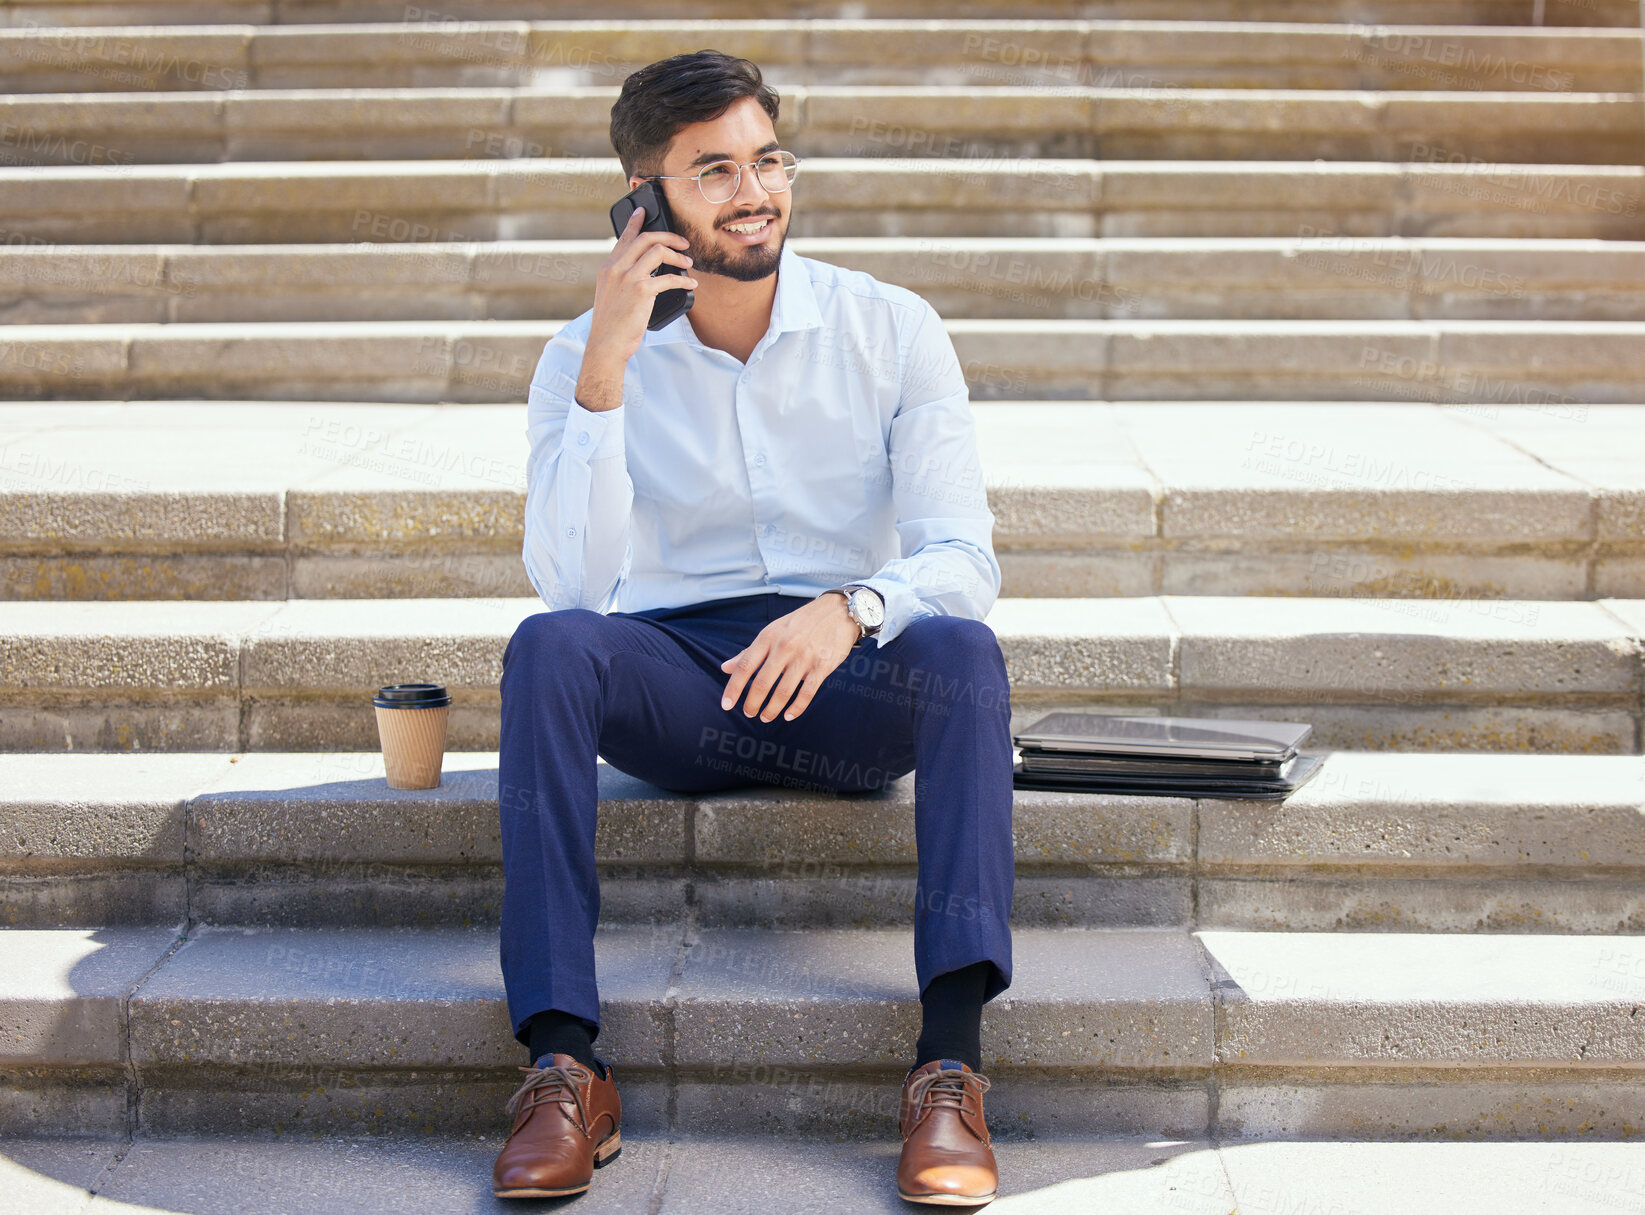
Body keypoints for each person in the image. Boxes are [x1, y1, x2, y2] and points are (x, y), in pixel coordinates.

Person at [491, 49, 1014, 1207]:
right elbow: (574, 587)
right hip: (676, 679)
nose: (754, 192)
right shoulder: (579, 359)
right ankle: (563, 1063)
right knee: (546, 647)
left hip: (849, 679)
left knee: (962, 652)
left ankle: (950, 1066)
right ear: (644, 201)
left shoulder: (890, 326)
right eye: (712, 170)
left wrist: (850, 608)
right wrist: (607, 372)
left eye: (767, 159)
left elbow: (961, 557)